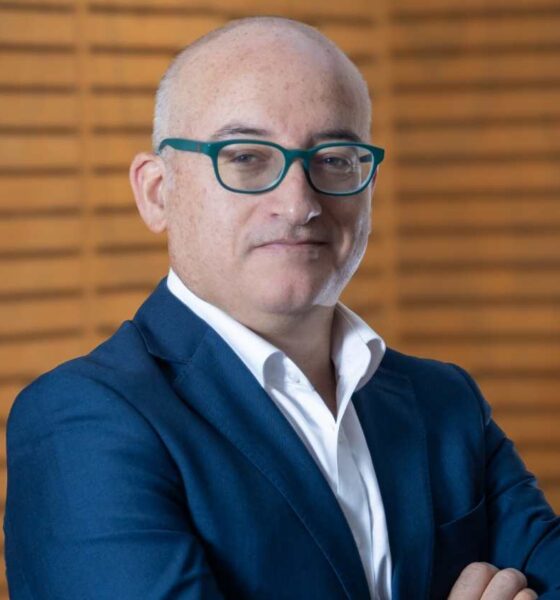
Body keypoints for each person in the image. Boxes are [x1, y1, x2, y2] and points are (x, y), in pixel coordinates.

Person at [4, 16, 559, 600]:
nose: (298, 204)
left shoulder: (446, 403)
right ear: (157, 192)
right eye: (246, 157)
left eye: (334, 158)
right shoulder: (84, 420)